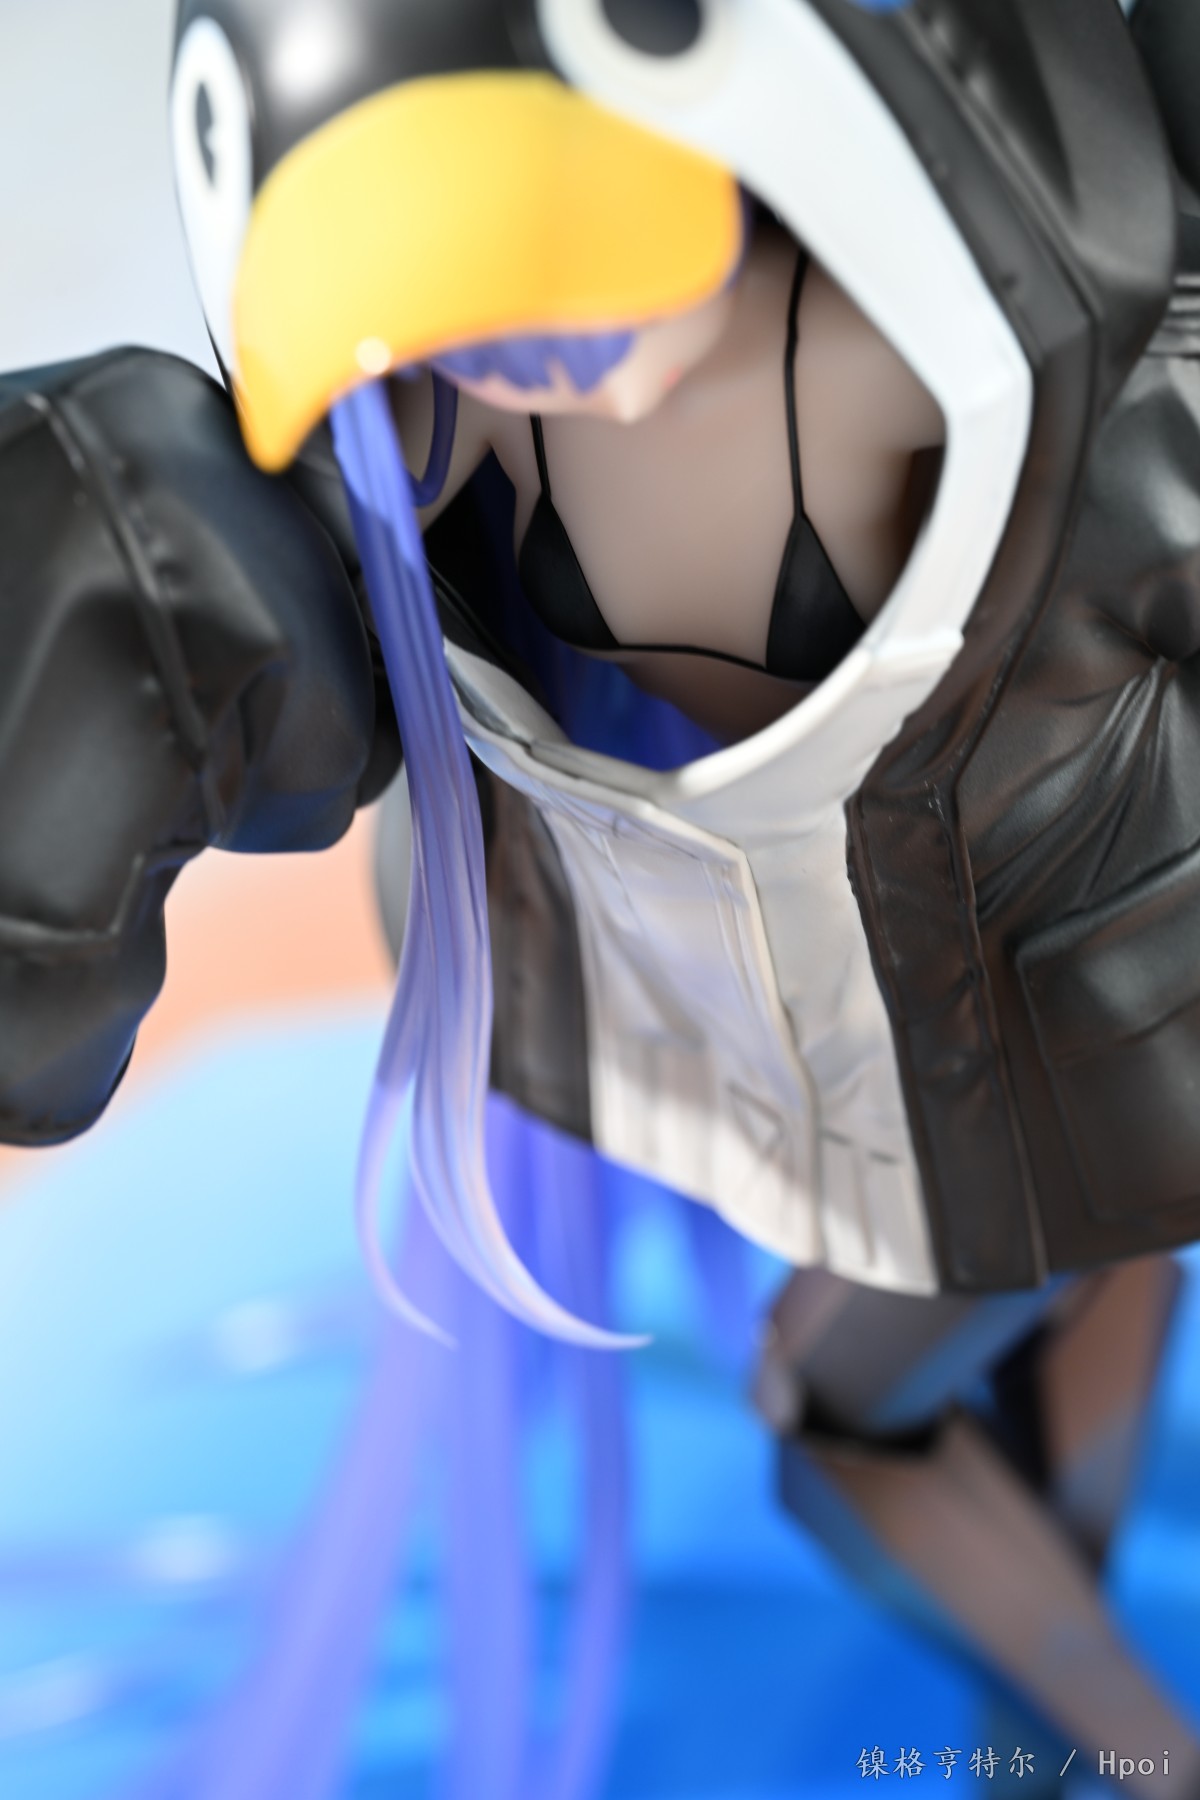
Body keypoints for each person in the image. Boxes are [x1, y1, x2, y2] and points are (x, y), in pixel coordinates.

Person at [3, 0, 1200, 1789]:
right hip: (989, 1056)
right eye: (466, 319)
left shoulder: (971, 348)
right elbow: (234, 613)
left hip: (1090, 1020)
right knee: (999, 1339)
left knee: (858, 1407)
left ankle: (1115, 1742)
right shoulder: (452, 448)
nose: (532, 352)